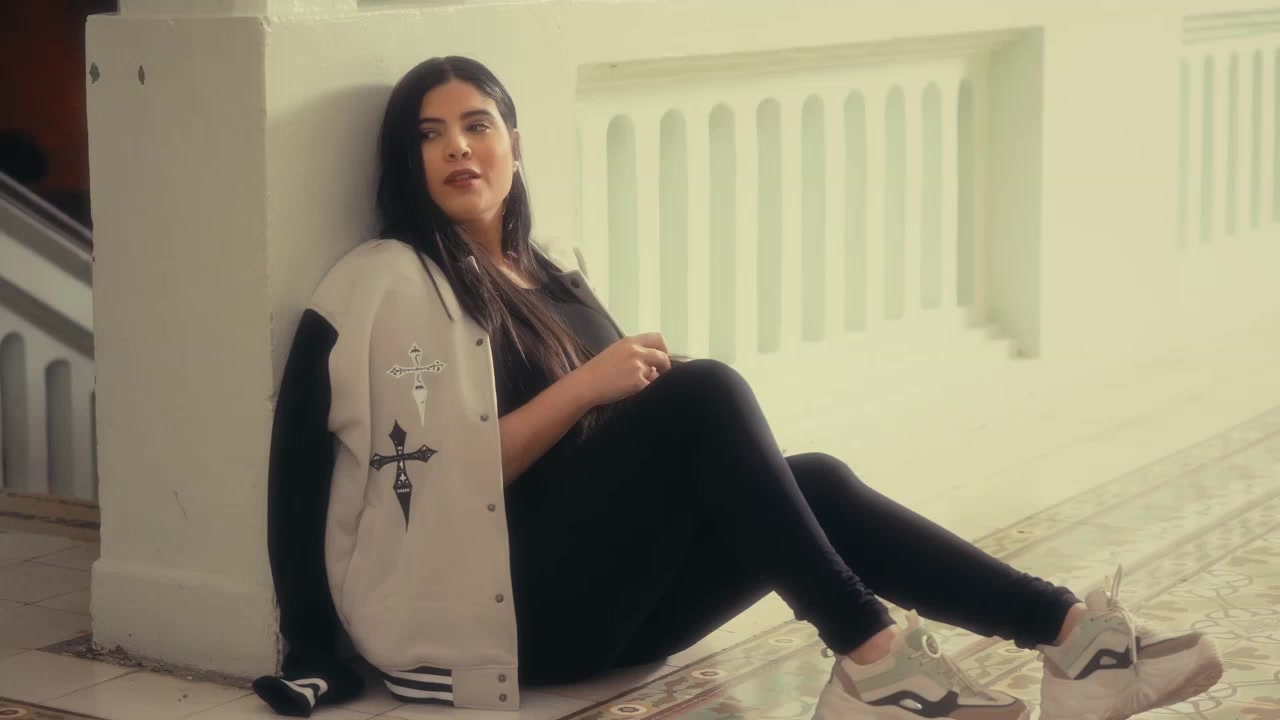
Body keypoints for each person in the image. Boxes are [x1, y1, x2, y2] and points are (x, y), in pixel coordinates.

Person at [253, 55, 1225, 720]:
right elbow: (416, 478)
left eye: (477, 125)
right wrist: (309, 645)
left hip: (607, 607)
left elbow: (615, 461)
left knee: (814, 476)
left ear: (515, 141)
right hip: (502, 625)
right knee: (708, 391)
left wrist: (625, 398)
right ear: (407, 162)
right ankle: (872, 656)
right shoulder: (389, 284)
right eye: (430, 135)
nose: (458, 148)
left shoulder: (553, 271)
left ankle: (1074, 640)